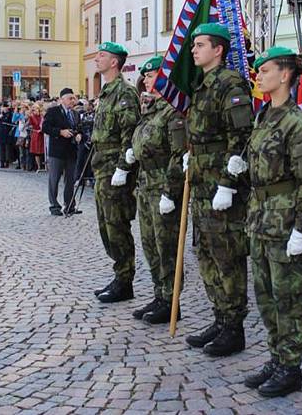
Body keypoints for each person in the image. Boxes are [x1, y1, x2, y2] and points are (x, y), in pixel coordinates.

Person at [239, 46, 302, 397]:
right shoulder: (264, 117)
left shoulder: (297, 123)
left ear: (285, 74)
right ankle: (276, 357)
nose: (259, 75)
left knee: (288, 296)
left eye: (266, 69)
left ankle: (290, 367)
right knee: (266, 295)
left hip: (286, 220)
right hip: (261, 220)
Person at [184, 23, 253, 357]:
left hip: (220, 187)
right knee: (207, 254)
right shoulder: (204, 86)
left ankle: (234, 327)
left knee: (227, 256)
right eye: (194, 45)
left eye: (200, 45)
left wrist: (227, 183)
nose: (194, 50)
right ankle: (219, 317)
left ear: (218, 49)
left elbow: (240, 137)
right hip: (201, 183)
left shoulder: (231, 84)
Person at [130, 56, 187, 324]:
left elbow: (178, 155)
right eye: (146, 77)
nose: (147, 80)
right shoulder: (149, 111)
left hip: (163, 185)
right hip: (145, 185)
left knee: (166, 246)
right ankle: (158, 294)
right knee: (150, 244)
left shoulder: (172, 112)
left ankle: (171, 299)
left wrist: (170, 192)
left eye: (153, 76)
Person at [90, 41, 140, 304]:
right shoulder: (106, 92)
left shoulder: (124, 93)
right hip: (101, 167)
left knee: (117, 225)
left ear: (114, 62)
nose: (97, 58)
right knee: (105, 226)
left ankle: (125, 279)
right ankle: (119, 275)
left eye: (102, 55)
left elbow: (129, 135)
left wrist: (123, 168)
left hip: (114, 169)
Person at [42, 88, 82, 216]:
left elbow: (79, 128)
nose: (72, 101)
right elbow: (45, 127)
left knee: (70, 180)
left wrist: (79, 135)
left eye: (73, 98)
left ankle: (69, 205)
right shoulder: (53, 111)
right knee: (54, 179)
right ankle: (54, 206)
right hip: (57, 152)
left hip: (71, 151)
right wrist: (60, 132)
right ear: (62, 99)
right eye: (70, 98)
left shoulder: (75, 114)